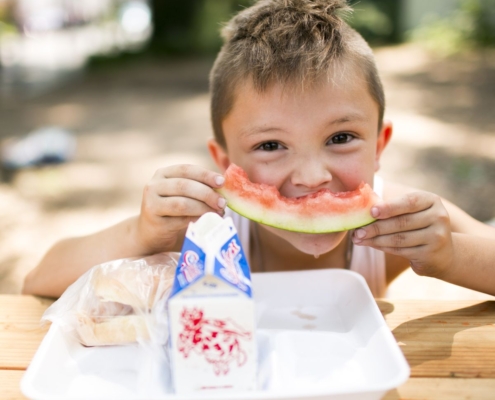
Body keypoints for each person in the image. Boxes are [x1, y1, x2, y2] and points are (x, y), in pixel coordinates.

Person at [23, 0, 495, 298]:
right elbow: (39, 280)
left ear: (380, 146)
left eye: (340, 138)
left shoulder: (398, 224)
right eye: (271, 145)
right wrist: (141, 233)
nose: (312, 176)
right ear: (226, 163)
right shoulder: (208, 236)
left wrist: (450, 256)